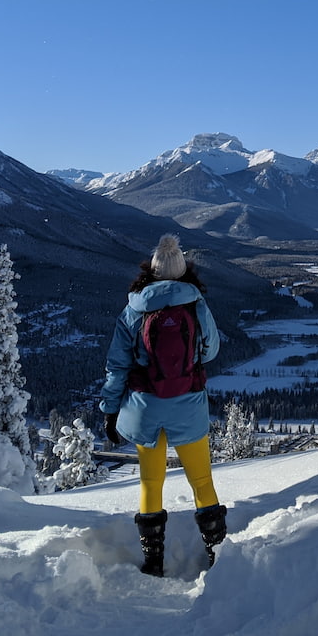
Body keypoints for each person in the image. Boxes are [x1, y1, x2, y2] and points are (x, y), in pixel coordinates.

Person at [100, 234, 227, 576]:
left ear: (151, 272)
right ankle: (217, 553)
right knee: (201, 481)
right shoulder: (196, 304)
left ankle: (153, 559)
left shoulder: (134, 309)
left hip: (145, 408)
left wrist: (110, 410)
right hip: (187, 404)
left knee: (150, 483)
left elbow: (117, 366)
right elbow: (210, 350)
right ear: (184, 270)